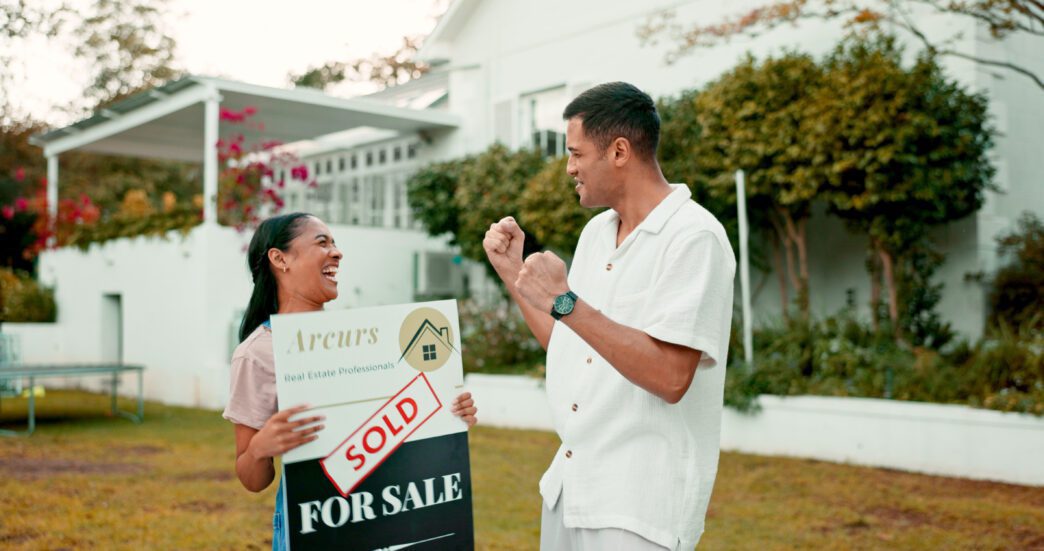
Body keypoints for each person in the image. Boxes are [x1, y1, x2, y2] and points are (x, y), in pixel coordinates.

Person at [483, 82, 735, 550]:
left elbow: (671, 376)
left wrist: (565, 301)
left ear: (619, 151)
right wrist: (513, 274)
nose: (569, 168)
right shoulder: (597, 233)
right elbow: (571, 348)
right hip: (569, 487)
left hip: (638, 507)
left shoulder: (694, 237)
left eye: (575, 152)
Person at [222, 212, 477, 550]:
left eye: (335, 242)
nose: (337, 252)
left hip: (388, 516)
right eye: (322, 242)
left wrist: (450, 413)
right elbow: (251, 479)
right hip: (318, 527)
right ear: (279, 258)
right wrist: (260, 447)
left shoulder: (365, 342)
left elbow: (398, 428)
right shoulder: (257, 353)